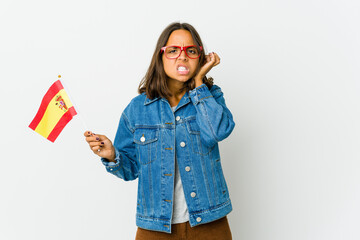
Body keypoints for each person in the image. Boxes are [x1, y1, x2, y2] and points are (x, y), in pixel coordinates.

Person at [84, 22, 235, 240]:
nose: (182, 57)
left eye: (190, 51)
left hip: (210, 223)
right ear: (160, 57)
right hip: (155, 227)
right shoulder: (136, 109)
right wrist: (112, 155)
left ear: (200, 58)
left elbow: (217, 132)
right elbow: (130, 170)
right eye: (173, 50)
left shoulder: (210, 96)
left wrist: (199, 82)